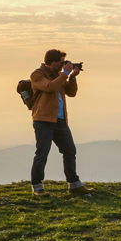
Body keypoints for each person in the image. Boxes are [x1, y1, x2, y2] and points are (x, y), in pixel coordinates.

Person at [30, 48, 91, 196]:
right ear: (53, 63)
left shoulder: (59, 75)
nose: (64, 65)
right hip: (43, 120)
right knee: (42, 153)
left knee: (70, 151)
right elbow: (49, 87)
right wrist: (64, 74)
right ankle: (37, 187)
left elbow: (71, 93)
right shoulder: (37, 74)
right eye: (62, 63)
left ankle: (74, 184)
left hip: (60, 120)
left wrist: (72, 77)